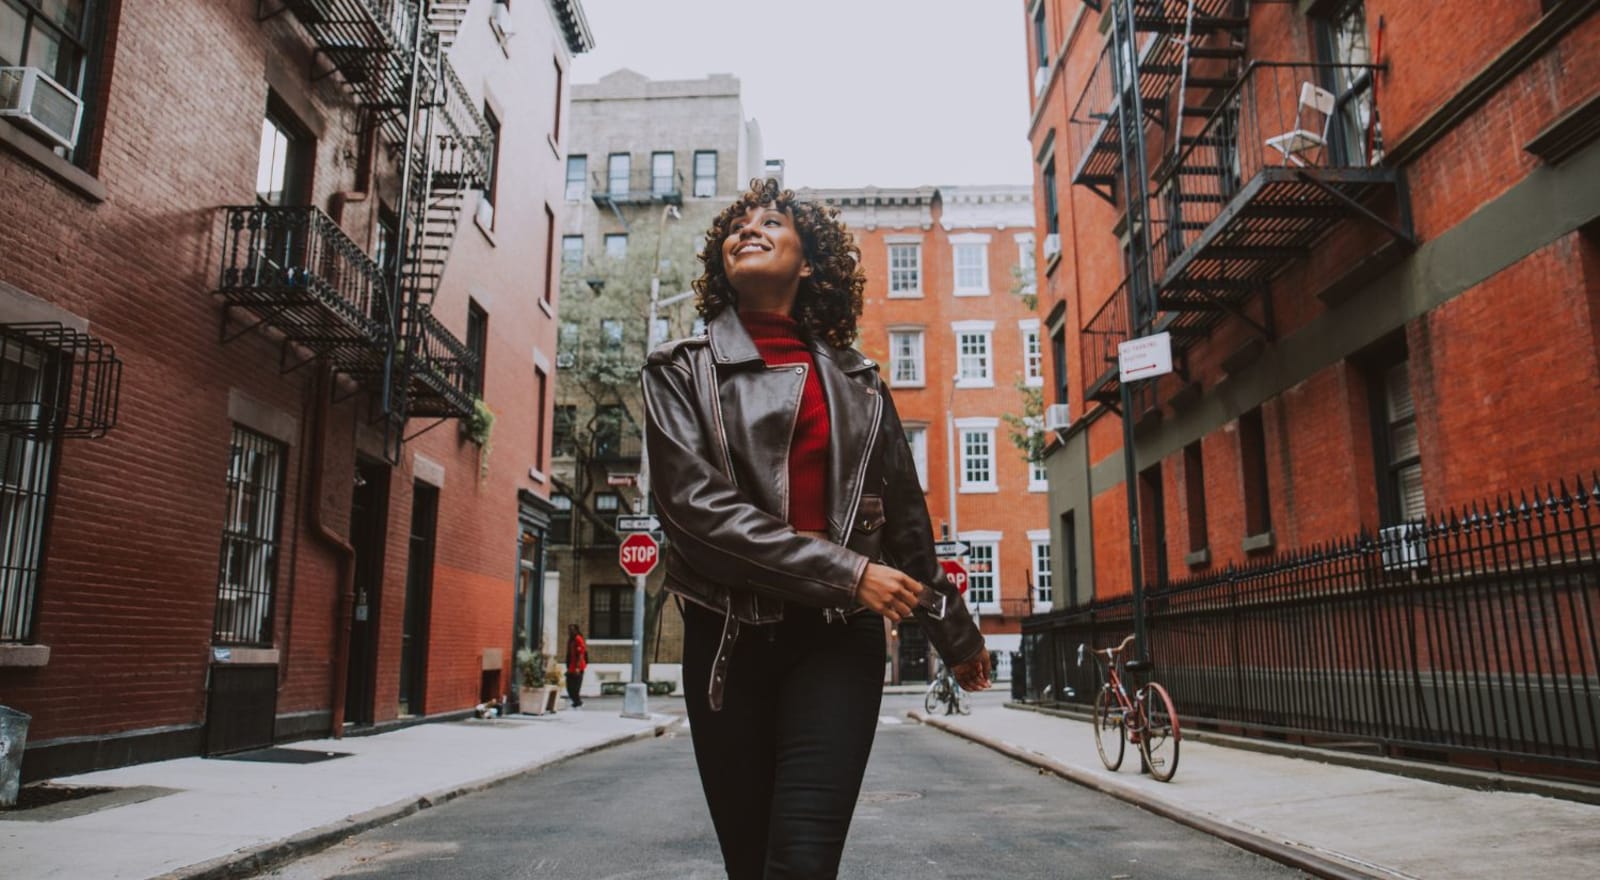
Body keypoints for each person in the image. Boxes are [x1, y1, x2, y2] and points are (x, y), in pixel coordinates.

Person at [642, 179, 990, 879]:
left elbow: (907, 527)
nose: (750, 228)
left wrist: (954, 632)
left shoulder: (858, 381)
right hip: (726, 643)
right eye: (738, 224)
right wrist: (850, 571)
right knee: (751, 864)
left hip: (836, 641)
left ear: (809, 264)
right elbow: (695, 513)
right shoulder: (680, 370)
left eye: (772, 221)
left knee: (801, 861)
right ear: (721, 261)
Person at [564, 623, 586, 709]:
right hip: (571, 667)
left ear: (576, 630)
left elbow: (581, 654)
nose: (570, 631)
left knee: (575, 687)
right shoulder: (571, 640)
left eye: (572, 630)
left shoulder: (578, 639)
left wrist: (577, 667)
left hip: (578, 667)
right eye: (569, 630)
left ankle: (577, 702)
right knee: (569, 686)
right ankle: (577, 702)